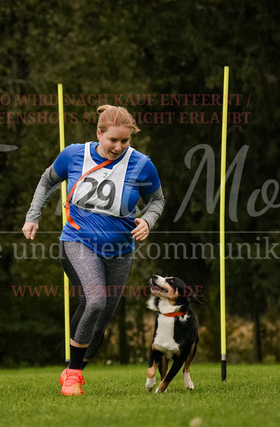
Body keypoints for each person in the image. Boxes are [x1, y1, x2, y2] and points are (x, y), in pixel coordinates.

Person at [22, 104, 165, 396]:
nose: (118, 147)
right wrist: (32, 216)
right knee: (95, 301)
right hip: (78, 241)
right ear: (98, 133)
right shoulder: (74, 155)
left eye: (125, 140)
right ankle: (73, 375)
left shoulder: (141, 164)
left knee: (101, 321)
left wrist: (147, 221)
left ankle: (73, 371)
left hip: (121, 251)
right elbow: (47, 180)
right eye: (113, 140)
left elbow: (157, 200)